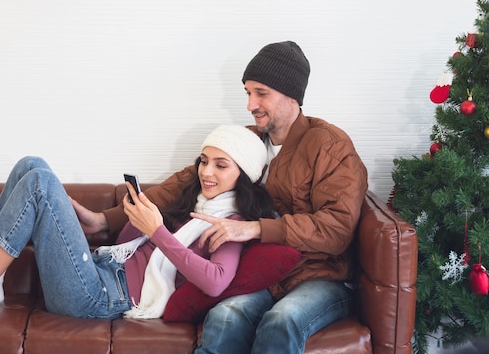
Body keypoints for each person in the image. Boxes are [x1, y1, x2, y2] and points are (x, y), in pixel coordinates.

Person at [77, 41, 368, 353]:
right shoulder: (247, 142)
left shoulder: (329, 145)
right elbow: (182, 185)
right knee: (224, 317)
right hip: (259, 277)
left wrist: (255, 228)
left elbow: (337, 229)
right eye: (248, 93)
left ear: (292, 95)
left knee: (281, 320)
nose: (250, 104)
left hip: (318, 276)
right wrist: (104, 220)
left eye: (261, 93)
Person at [0, 125, 275, 320]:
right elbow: (132, 248)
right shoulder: (190, 203)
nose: (206, 171)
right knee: (31, 165)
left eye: (220, 165)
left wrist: (157, 231)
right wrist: (95, 223)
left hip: (103, 297)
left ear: (244, 174)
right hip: (100, 269)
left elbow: (215, 282)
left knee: (40, 183)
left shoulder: (231, 224)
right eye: (204, 160)